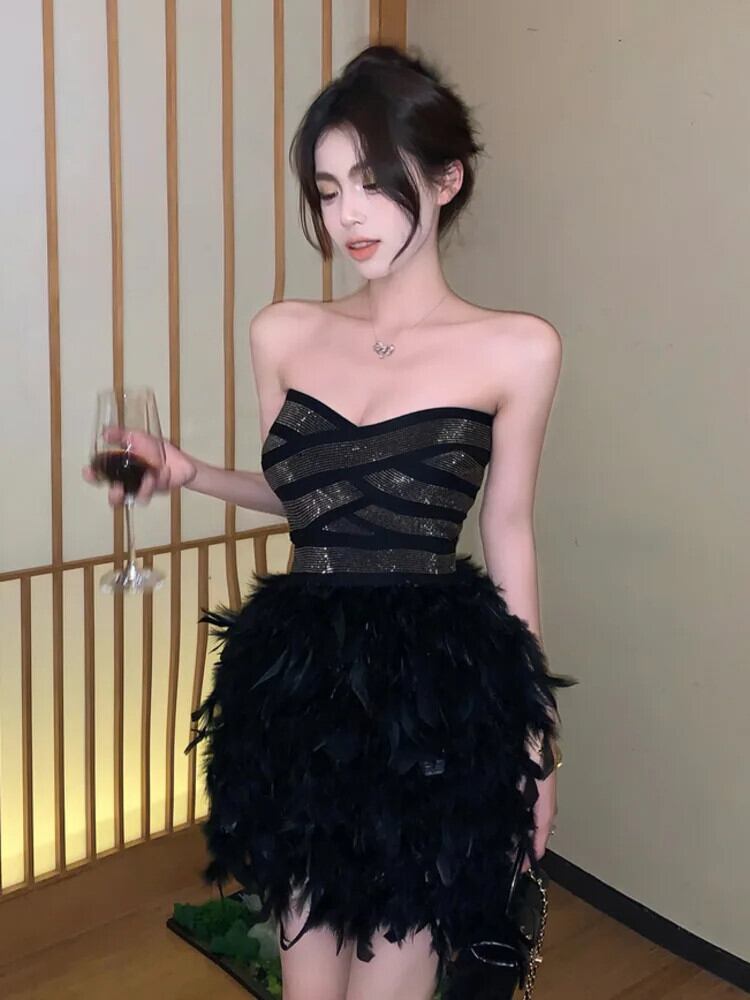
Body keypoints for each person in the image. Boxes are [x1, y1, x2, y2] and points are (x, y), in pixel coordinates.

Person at [86, 43, 577, 1000]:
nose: (348, 214)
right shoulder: (282, 332)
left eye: (375, 182)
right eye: (328, 188)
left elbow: (509, 532)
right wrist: (188, 472)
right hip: (298, 683)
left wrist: (534, 741)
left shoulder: (518, 349)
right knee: (307, 981)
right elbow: (310, 500)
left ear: (446, 179)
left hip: (432, 693)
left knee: (394, 973)